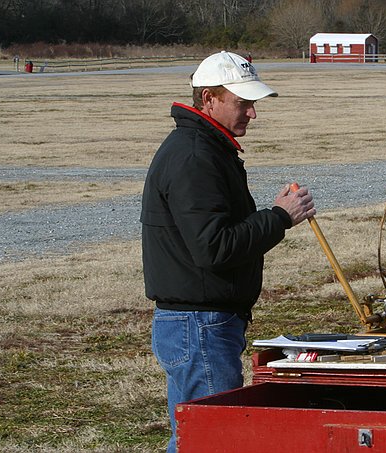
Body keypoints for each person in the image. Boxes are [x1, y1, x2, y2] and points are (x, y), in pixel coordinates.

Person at [140, 50, 315, 452]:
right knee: (214, 440)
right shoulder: (195, 156)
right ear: (208, 99)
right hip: (199, 323)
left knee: (195, 437)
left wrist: (274, 216)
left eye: (252, 103)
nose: (252, 113)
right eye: (243, 103)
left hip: (200, 320)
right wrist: (279, 217)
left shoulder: (205, 148)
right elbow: (214, 247)